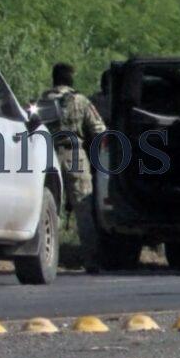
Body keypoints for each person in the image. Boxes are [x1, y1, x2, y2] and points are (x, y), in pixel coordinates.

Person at [41, 63, 107, 273]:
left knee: (47, 209)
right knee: (83, 208)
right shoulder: (80, 100)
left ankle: (45, 259)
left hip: (46, 156)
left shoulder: (42, 100)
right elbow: (99, 130)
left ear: (54, 78)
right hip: (75, 155)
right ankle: (92, 260)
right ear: (71, 79)